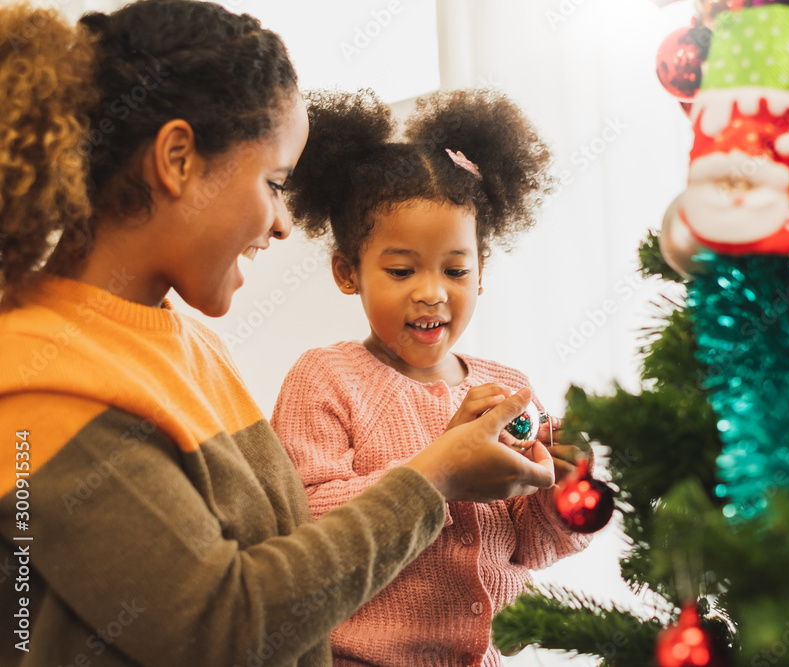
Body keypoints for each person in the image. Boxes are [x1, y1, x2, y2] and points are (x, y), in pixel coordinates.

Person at [0, 2, 555, 666]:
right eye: (273, 182)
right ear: (177, 158)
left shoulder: (188, 344)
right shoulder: (38, 385)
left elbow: (281, 568)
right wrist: (432, 478)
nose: (285, 224)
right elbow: (219, 629)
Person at [270, 89, 592, 667]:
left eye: (456, 269)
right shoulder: (326, 377)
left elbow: (529, 546)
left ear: (481, 273)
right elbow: (306, 527)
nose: (432, 291)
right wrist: (439, 472)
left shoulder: (508, 386)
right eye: (400, 270)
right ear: (349, 272)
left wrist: (564, 492)